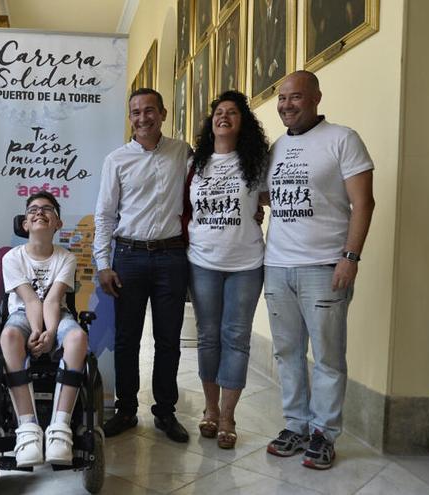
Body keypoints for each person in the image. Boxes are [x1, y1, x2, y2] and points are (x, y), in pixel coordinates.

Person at [263, 71, 375, 470]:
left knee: (327, 357)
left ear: (315, 98)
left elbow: (364, 203)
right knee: (287, 352)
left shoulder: (343, 139)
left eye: (295, 97)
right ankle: (295, 425)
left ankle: (324, 434)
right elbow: (265, 196)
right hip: (277, 267)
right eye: (281, 98)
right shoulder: (276, 147)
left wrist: (351, 256)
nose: (286, 105)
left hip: (325, 267)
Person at [94, 88, 191, 443]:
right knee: (126, 339)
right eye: (135, 112)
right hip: (129, 258)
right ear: (130, 118)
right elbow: (104, 216)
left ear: (163, 113)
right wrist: (104, 263)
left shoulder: (183, 153)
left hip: (171, 257)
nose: (143, 118)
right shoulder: (116, 160)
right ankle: (126, 409)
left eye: (149, 110)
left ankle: (165, 411)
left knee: (168, 340)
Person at [184, 90, 269, 450]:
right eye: (219, 112)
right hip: (202, 261)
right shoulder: (195, 164)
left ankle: (228, 418)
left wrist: (258, 211)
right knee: (208, 336)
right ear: (211, 121)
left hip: (247, 264)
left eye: (232, 112)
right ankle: (210, 408)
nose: (224, 117)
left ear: (242, 122)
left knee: (236, 337)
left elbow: (269, 199)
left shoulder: (257, 163)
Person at [0, 191, 89, 467]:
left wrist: (49, 334)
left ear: (57, 223)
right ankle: (27, 428)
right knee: (10, 334)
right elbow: (29, 300)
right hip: (22, 313)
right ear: (25, 224)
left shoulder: (66, 258)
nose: (39, 212)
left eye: (47, 209)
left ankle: (59, 430)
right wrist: (37, 331)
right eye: (33, 210)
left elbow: (51, 300)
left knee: (76, 337)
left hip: (57, 313)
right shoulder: (12, 258)